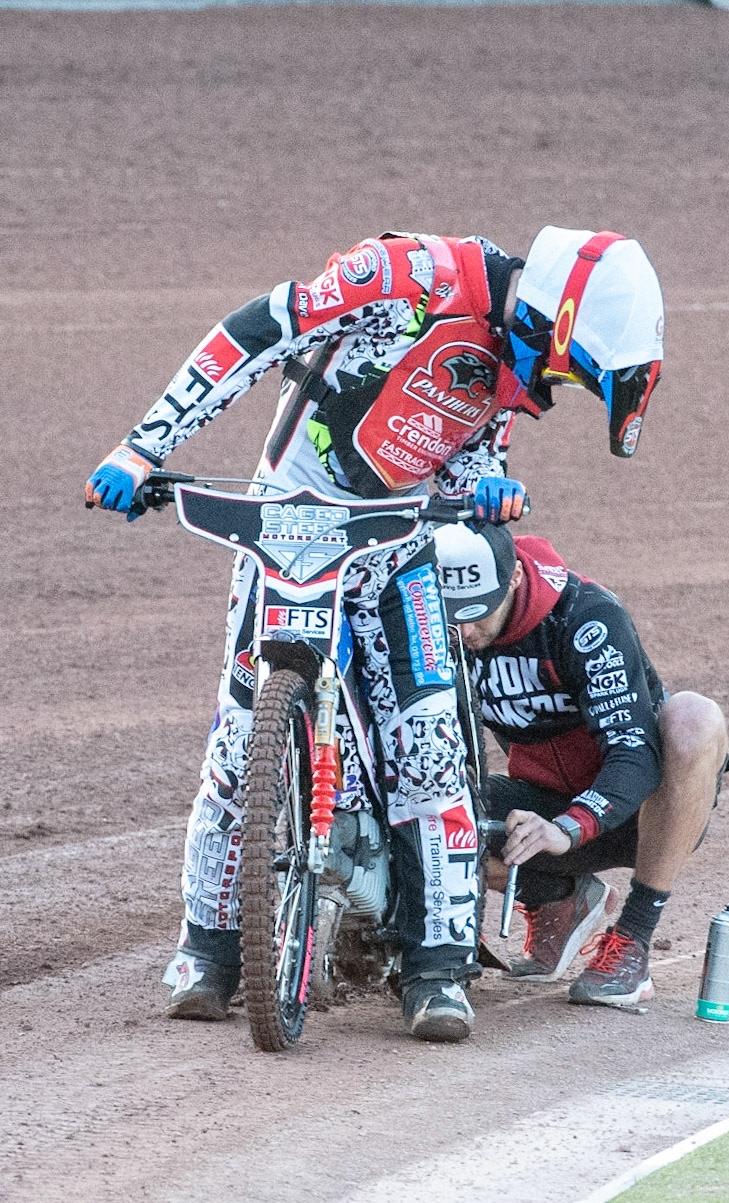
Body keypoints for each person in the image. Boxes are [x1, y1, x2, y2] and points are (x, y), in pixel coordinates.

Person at [85, 226, 665, 1040]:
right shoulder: (408, 274)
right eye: (566, 374)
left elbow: (459, 454)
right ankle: (209, 950)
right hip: (287, 524)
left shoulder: (508, 359)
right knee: (237, 740)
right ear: (550, 325)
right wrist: (144, 447)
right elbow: (258, 330)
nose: (552, 390)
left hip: (398, 547)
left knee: (426, 746)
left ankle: (437, 967)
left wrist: (485, 488)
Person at [434, 522, 729, 1007]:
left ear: (511, 580)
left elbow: (634, 752)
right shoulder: (440, 632)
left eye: (477, 613)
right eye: (452, 615)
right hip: (542, 801)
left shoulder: (585, 617)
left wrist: (569, 828)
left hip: (647, 809)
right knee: (423, 811)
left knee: (694, 717)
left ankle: (633, 937)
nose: (464, 631)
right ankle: (559, 902)